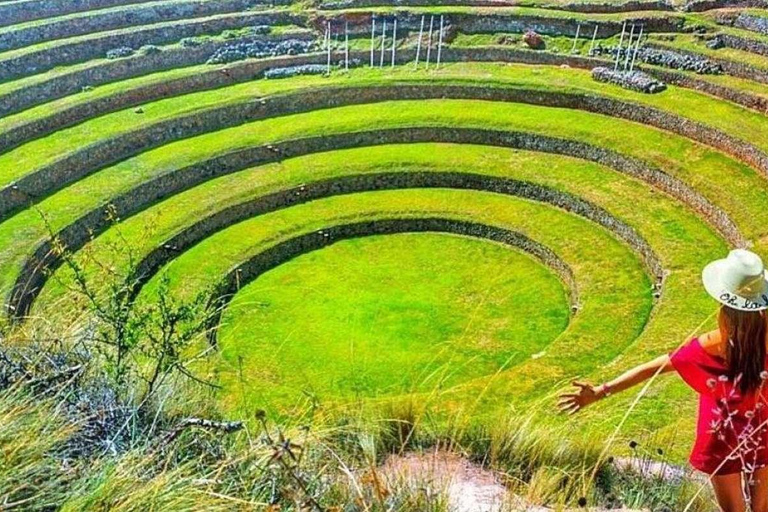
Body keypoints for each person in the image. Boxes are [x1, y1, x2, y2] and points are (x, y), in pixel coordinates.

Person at [559, 249, 768, 512]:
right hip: (762, 429)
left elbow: (651, 368)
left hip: (720, 437)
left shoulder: (706, 347)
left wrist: (601, 391)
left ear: (724, 311)